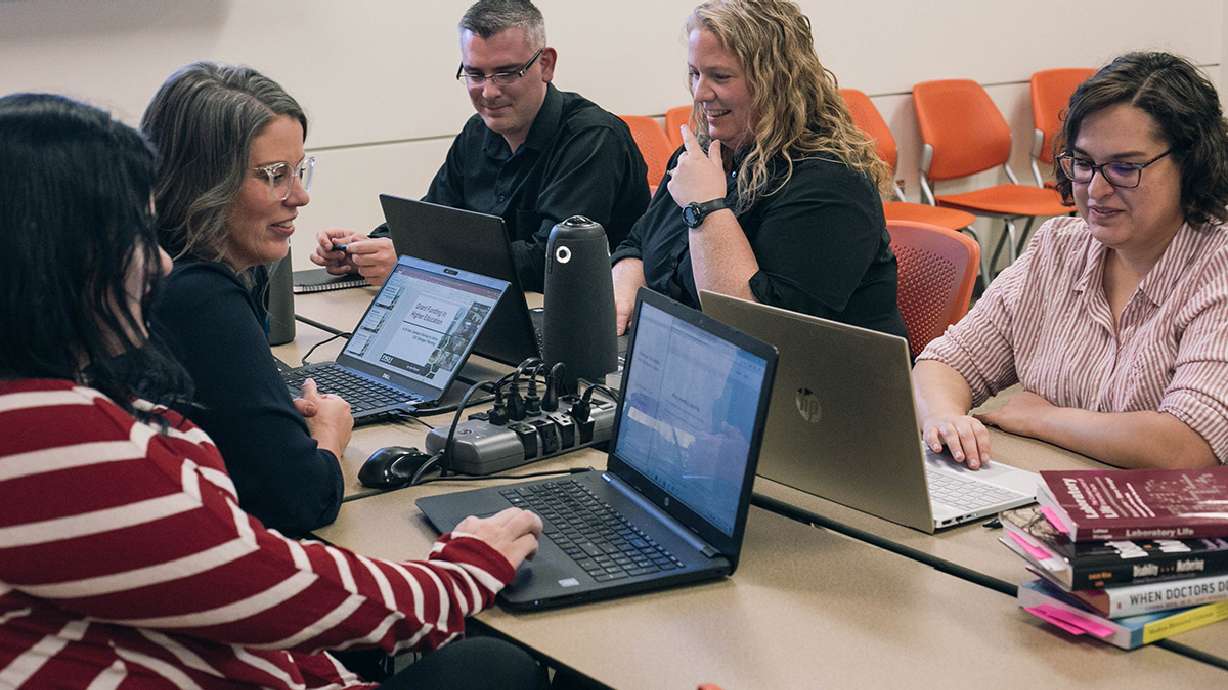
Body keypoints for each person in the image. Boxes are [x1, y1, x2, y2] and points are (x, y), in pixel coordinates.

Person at [0, 92, 545, 690]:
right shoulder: (42, 431)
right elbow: (278, 585)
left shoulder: (45, 400)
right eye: (133, 236)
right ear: (56, 259)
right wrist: (467, 565)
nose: (157, 265)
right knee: (497, 668)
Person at [913, 52, 1228, 471]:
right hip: (1050, 493)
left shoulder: (1215, 266)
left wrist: (1044, 419)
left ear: (1191, 165)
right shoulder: (1059, 249)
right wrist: (944, 417)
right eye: (1083, 163)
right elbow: (946, 362)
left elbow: (1188, 445)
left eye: (1124, 167)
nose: (1096, 190)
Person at [610, 0, 906, 340]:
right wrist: (623, 294)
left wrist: (705, 208)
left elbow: (753, 330)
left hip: (813, 384)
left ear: (775, 80)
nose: (699, 93)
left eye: (719, 76)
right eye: (695, 73)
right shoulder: (704, 155)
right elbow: (637, 243)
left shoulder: (831, 183)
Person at [310, 0, 650, 292]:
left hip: (579, 327)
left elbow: (553, 261)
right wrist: (364, 249)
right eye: (474, 74)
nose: (488, 92)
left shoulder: (593, 137)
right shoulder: (477, 132)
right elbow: (435, 219)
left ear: (545, 64)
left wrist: (417, 259)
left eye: (506, 73)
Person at [144, 63, 351, 536]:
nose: (299, 196)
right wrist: (329, 435)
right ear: (204, 182)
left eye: (299, 171)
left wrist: (263, 411)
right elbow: (299, 500)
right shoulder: (199, 295)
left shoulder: (166, 259)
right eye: (274, 175)